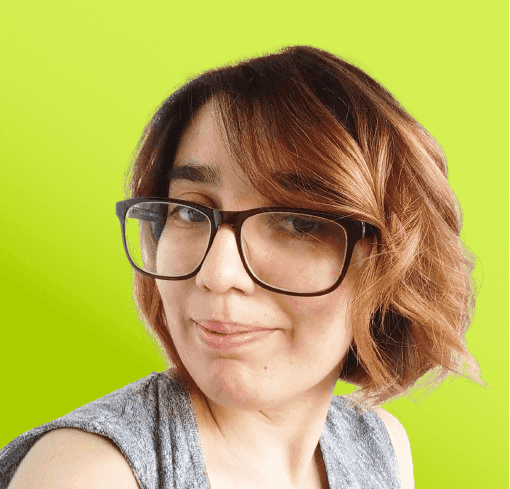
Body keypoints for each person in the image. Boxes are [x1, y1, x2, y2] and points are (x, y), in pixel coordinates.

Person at [1, 45, 486, 489]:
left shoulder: (379, 446)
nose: (217, 274)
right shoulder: (88, 473)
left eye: (297, 222)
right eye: (191, 211)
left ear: (391, 258)